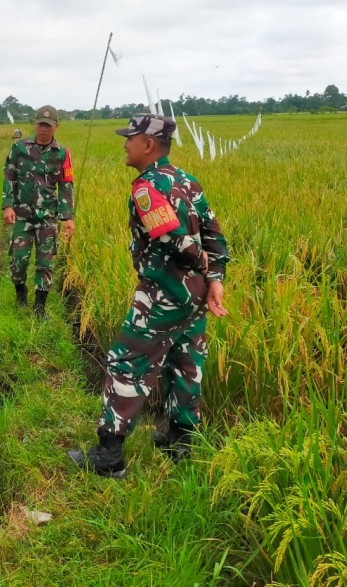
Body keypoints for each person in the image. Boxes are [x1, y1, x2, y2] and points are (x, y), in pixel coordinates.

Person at [68, 114, 229, 478]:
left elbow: (170, 235)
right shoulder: (188, 181)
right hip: (195, 296)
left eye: (130, 138)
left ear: (149, 144)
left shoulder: (146, 187)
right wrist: (215, 278)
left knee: (126, 362)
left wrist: (202, 263)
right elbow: (215, 234)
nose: (124, 143)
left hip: (163, 293)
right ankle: (181, 440)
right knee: (186, 361)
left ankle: (109, 456)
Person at [1, 105, 75, 318]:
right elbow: (9, 176)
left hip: (47, 218)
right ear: (34, 124)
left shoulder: (62, 153)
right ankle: (20, 294)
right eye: (41, 124)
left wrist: (68, 217)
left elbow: (66, 185)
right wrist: (7, 206)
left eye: (49, 126)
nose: (44, 129)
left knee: (45, 262)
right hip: (22, 216)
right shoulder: (19, 148)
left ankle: (40, 307)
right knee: (19, 260)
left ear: (56, 127)